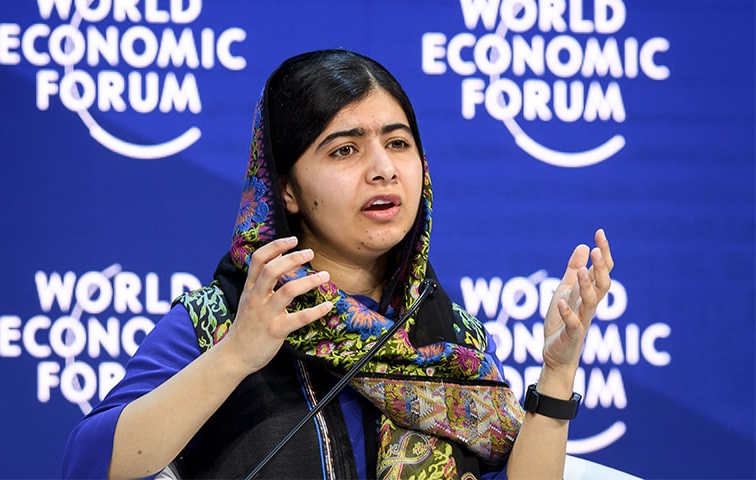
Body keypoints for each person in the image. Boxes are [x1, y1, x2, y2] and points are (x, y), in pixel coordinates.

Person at [62, 48, 614, 480]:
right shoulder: (232, 318)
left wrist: (558, 372)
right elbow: (90, 464)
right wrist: (236, 356)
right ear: (288, 189)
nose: (382, 170)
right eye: (344, 150)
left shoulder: (451, 339)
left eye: (398, 144)